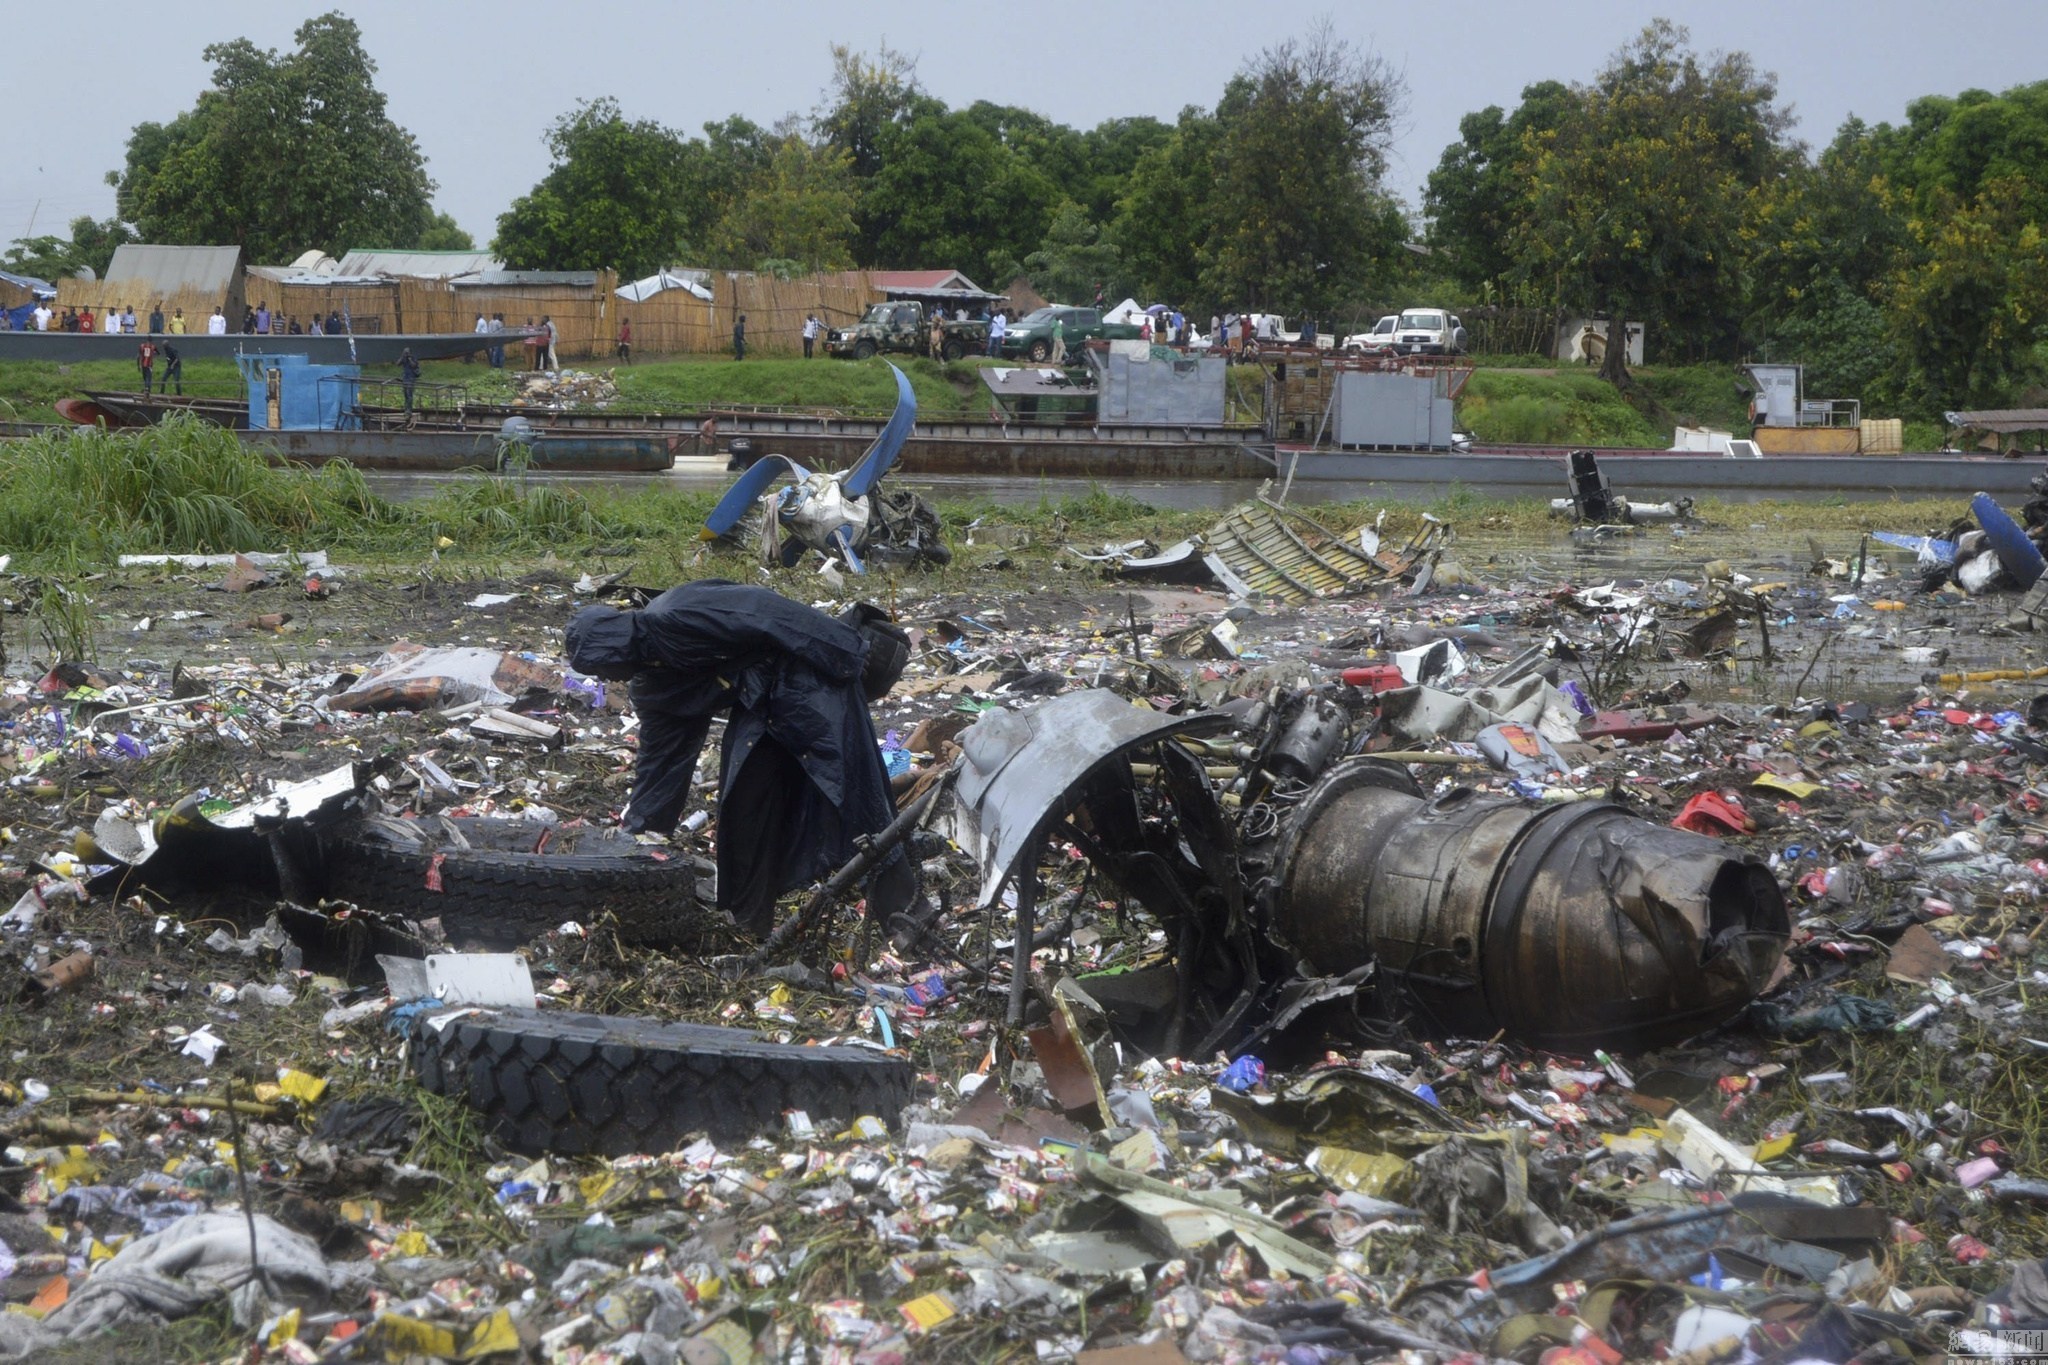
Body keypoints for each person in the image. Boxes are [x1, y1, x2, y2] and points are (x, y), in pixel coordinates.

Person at [564, 582, 919, 938]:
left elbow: (764, 610)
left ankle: (907, 916)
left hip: (809, 679)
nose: (605, 678)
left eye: (602, 665)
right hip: (760, 705)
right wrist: (642, 834)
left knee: (850, 793)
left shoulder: (677, 613)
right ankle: (750, 929)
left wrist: (844, 646)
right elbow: (662, 759)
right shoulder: (654, 685)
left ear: (613, 642)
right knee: (745, 811)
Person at [398, 348, 420, 413]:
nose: (406, 354)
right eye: (405, 352)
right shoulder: (403, 358)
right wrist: (402, 356)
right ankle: (406, 408)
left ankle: (409, 410)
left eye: (407, 352)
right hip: (405, 378)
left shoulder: (413, 358)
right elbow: (397, 364)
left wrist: (410, 359)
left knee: (409, 394)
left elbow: (414, 366)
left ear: (410, 353)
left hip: (411, 378)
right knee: (405, 394)